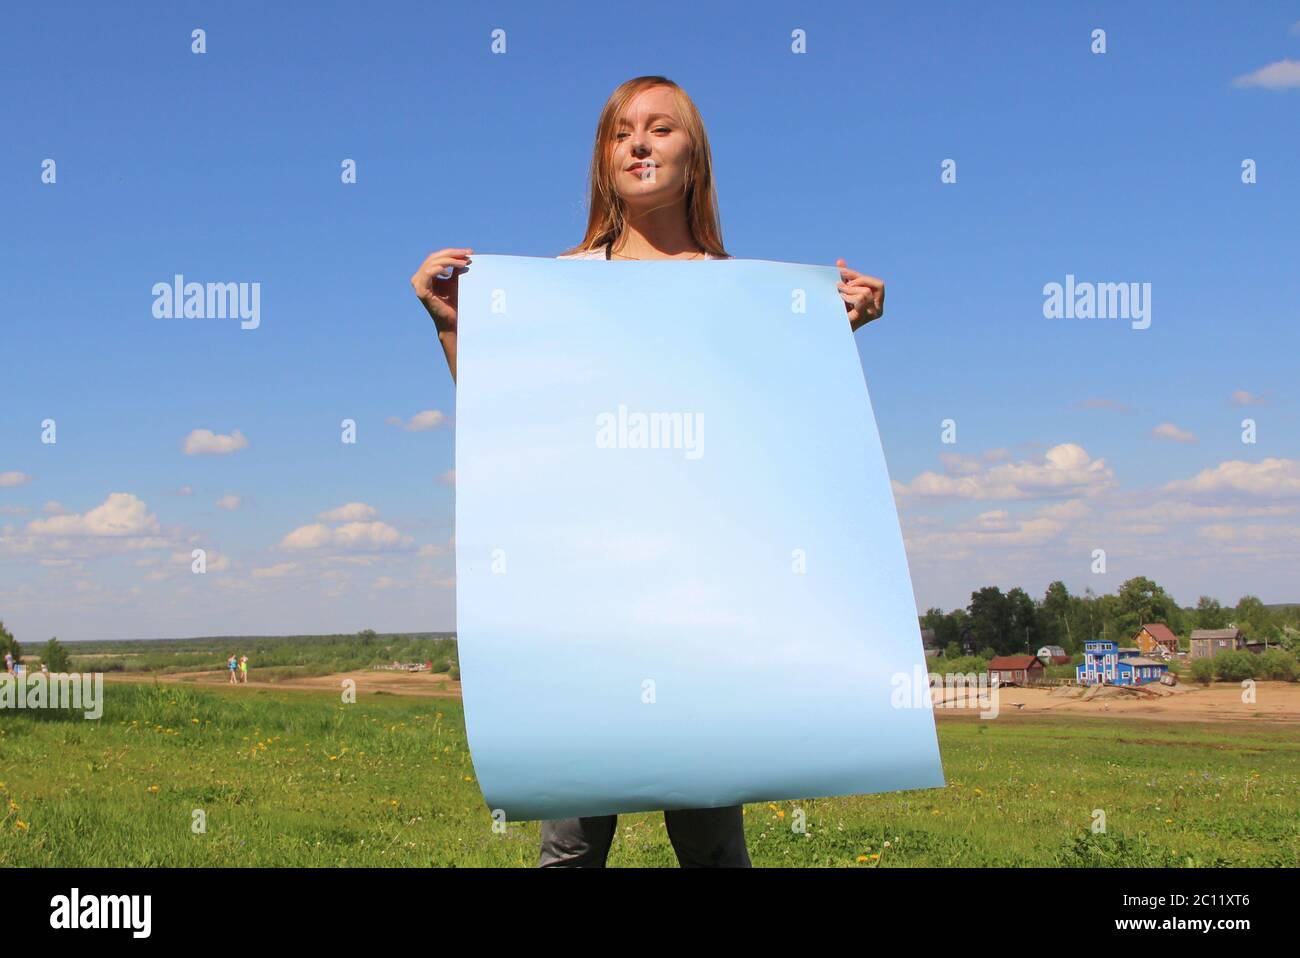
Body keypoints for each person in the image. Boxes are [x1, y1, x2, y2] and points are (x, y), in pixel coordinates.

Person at [409, 75, 886, 867]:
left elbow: (777, 437)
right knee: (570, 845)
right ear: (603, 159)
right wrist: (452, 331)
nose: (639, 142)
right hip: (587, 595)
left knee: (709, 842)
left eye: (662, 129)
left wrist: (837, 336)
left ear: (694, 157)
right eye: (620, 131)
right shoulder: (556, 285)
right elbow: (516, 430)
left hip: (702, 596)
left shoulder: (745, 295)